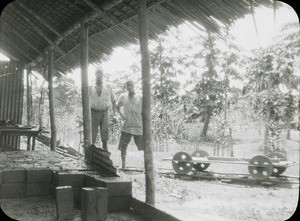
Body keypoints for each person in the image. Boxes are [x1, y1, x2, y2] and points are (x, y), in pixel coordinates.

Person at [116, 80, 143, 169]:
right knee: (123, 146)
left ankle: (147, 166)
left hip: (138, 125)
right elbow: (117, 107)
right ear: (126, 87)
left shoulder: (140, 97)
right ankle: (123, 165)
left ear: (134, 85)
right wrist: (121, 115)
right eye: (127, 86)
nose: (129, 87)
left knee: (143, 146)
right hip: (127, 125)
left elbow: (144, 111)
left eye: (131, 85)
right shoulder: (123, 97)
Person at [90, 67, 116, 151]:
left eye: (100, 73)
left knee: (104, 134)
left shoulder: (108, 87)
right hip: (93, 112)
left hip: (104, 112)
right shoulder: (91, 87)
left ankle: (106, 153)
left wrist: (114, 113)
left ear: (102, 75)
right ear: (95, 75)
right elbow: (86, 100)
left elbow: (113, 100)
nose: (99, 75)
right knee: (92, 134)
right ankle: (91, 152)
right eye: (97, 73)